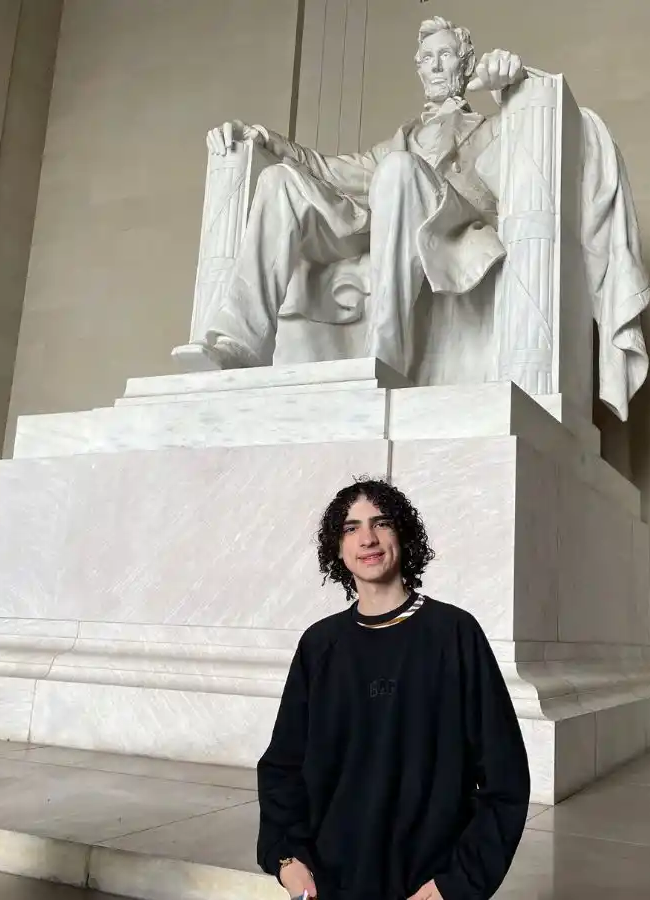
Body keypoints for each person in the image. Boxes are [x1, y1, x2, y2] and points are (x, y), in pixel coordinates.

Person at [189, 17, 525, 378]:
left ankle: (383, 355)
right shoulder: (402, 140)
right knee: (278, 181)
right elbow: (336, 169)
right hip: (381, 219)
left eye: (446, 54)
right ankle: (241, 344)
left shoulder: (492, 127)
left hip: (450, 226)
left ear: (467, 62)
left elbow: (529, 135)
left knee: (398, 169)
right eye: (427, 58)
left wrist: (513, 85)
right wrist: (273, 142)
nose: (437, 65)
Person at [257, 478, 530, 900]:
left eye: (380, 523)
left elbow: (505, 777)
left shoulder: (454, 634)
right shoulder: (320, 645)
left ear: (401, 534)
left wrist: (455, 884)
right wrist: (287, 859)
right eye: (350, 528)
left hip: (427, 885)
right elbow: (283, 766)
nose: (367, 538)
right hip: (333, 883)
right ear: (338, 548)